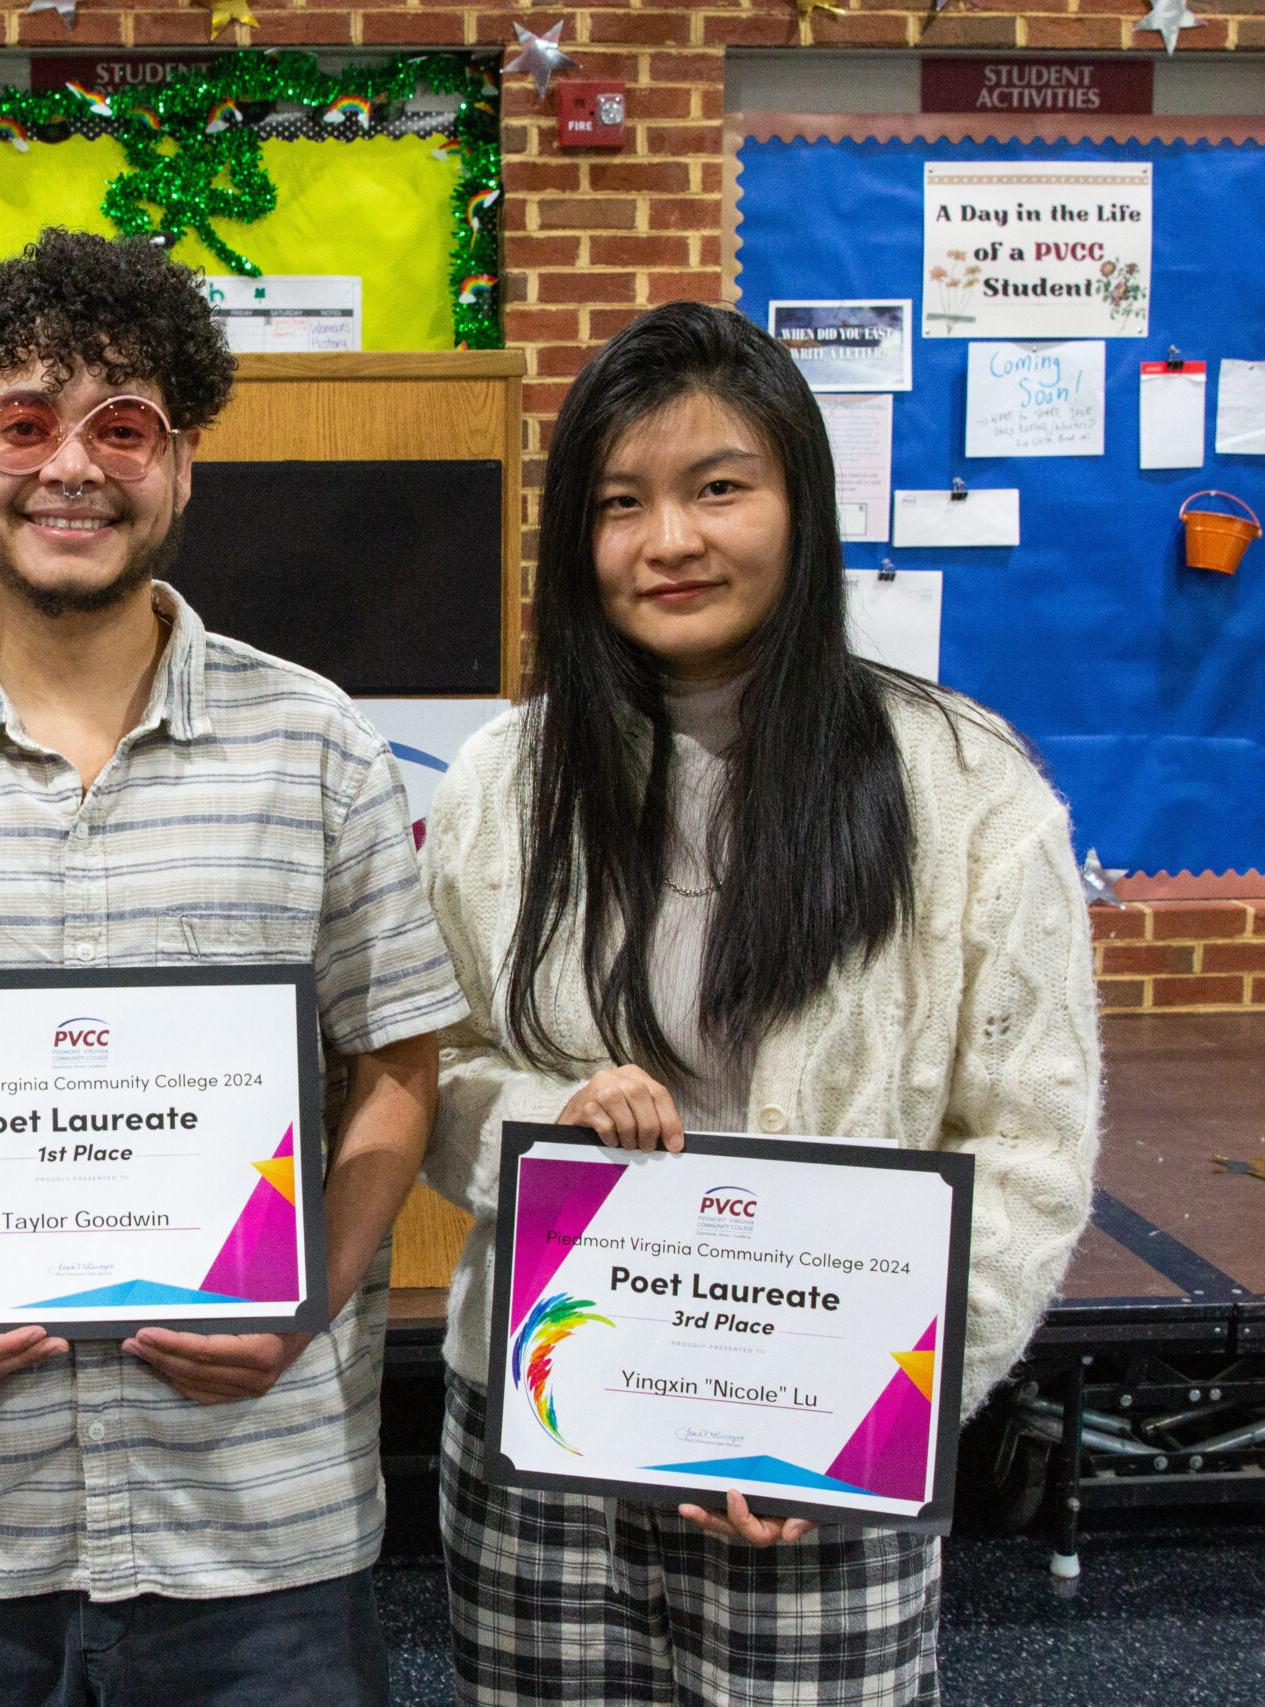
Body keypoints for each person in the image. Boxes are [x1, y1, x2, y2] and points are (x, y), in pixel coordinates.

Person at [0, 227, 468, 1707]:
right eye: (26, 422)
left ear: (183, 463)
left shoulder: (317, 746)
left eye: (121, 427)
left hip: (255, 1524)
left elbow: (396, 1068)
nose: (72, 464)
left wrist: (310, 1297)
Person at [421, 300, 1100, 1704]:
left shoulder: (967, 794)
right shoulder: (504, 783)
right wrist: (554, 1115)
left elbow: (1029, 1147)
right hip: (550, 1431)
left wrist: (872, 1421)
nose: (669, 541)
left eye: (717, 487)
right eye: (621, 503)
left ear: (801, 501)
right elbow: (435, 1067)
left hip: (819, 1447)